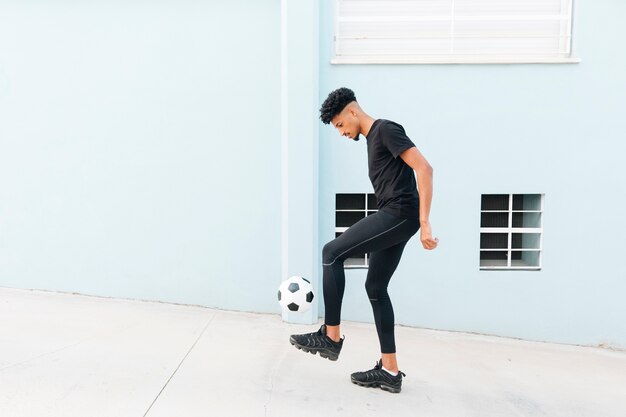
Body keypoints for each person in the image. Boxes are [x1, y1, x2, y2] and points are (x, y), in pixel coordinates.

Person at [289, 87, 438, 393]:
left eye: (341, 125)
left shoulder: (385, 129)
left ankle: (330, 337)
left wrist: (425, 222)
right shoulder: (373, 139)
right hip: (397, 215)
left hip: (399, 214)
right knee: (375, 287)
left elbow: (424, 168)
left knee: (331, 252)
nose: (342, 132)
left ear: (353, 111)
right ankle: (390, 371)